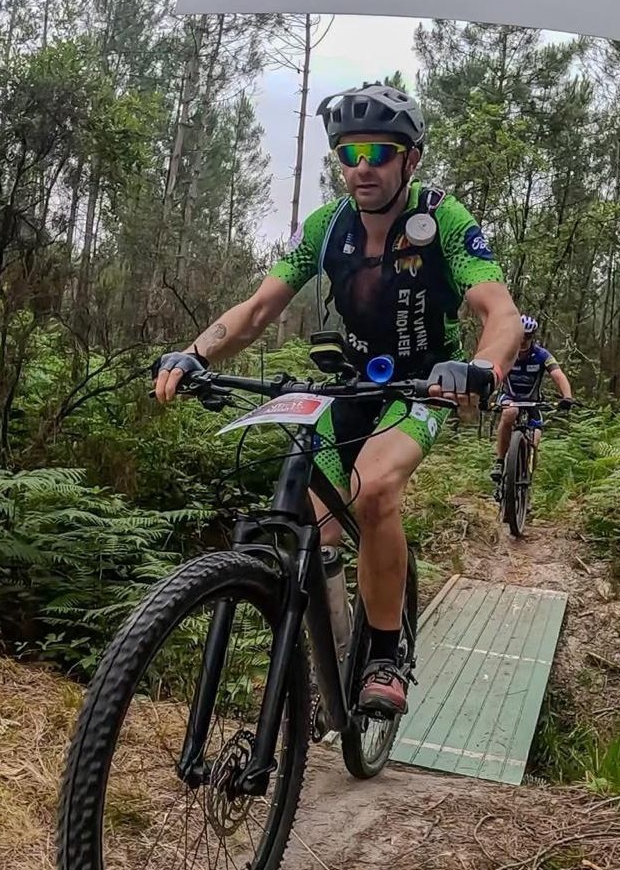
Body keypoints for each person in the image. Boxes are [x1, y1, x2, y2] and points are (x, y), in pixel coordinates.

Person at [154, 83, 522, 716]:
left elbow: (501, 312)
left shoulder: (444, 221)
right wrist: (195, 353)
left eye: (379, 152)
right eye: (349, 154)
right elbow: (259, 308)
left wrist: (482, 366)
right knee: (316, 528)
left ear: (411, 159)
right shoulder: (328, 228)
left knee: (374, 490)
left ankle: (385, 654)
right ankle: (335, 661)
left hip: (423, 386)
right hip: (350, 383)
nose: (362, 167)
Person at [490, 315, 573, 482]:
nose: (523, 340)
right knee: (509, 413)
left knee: (535, 440)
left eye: (527, 336)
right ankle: (500, 461)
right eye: (520, 335)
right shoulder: (505, 352)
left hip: (533, 401)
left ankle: (526, 480)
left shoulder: (542, 355)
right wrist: (483, 395)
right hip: (510, 396)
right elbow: (491, 374)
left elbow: (558, 375)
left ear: (532, 336)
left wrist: (567, 397)